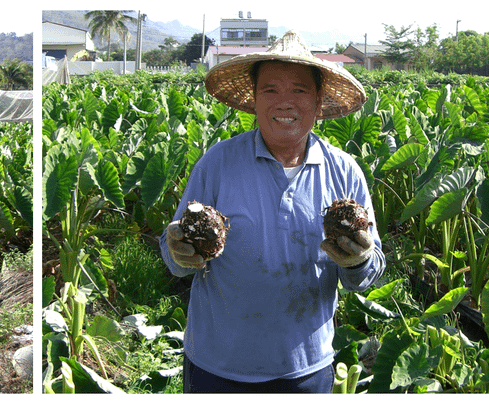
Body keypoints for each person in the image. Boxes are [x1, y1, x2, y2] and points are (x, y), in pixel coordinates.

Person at [159, 31, 386, 393]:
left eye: (298, 90)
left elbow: (367, 274)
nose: (284, 102)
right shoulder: (217, 164)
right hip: (217, 366)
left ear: (318, 99)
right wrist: (178, 251)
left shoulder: (344, 172)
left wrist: (357, 261)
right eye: (270, 90)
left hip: (305, 369)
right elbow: (171, 257)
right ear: (253, 98)